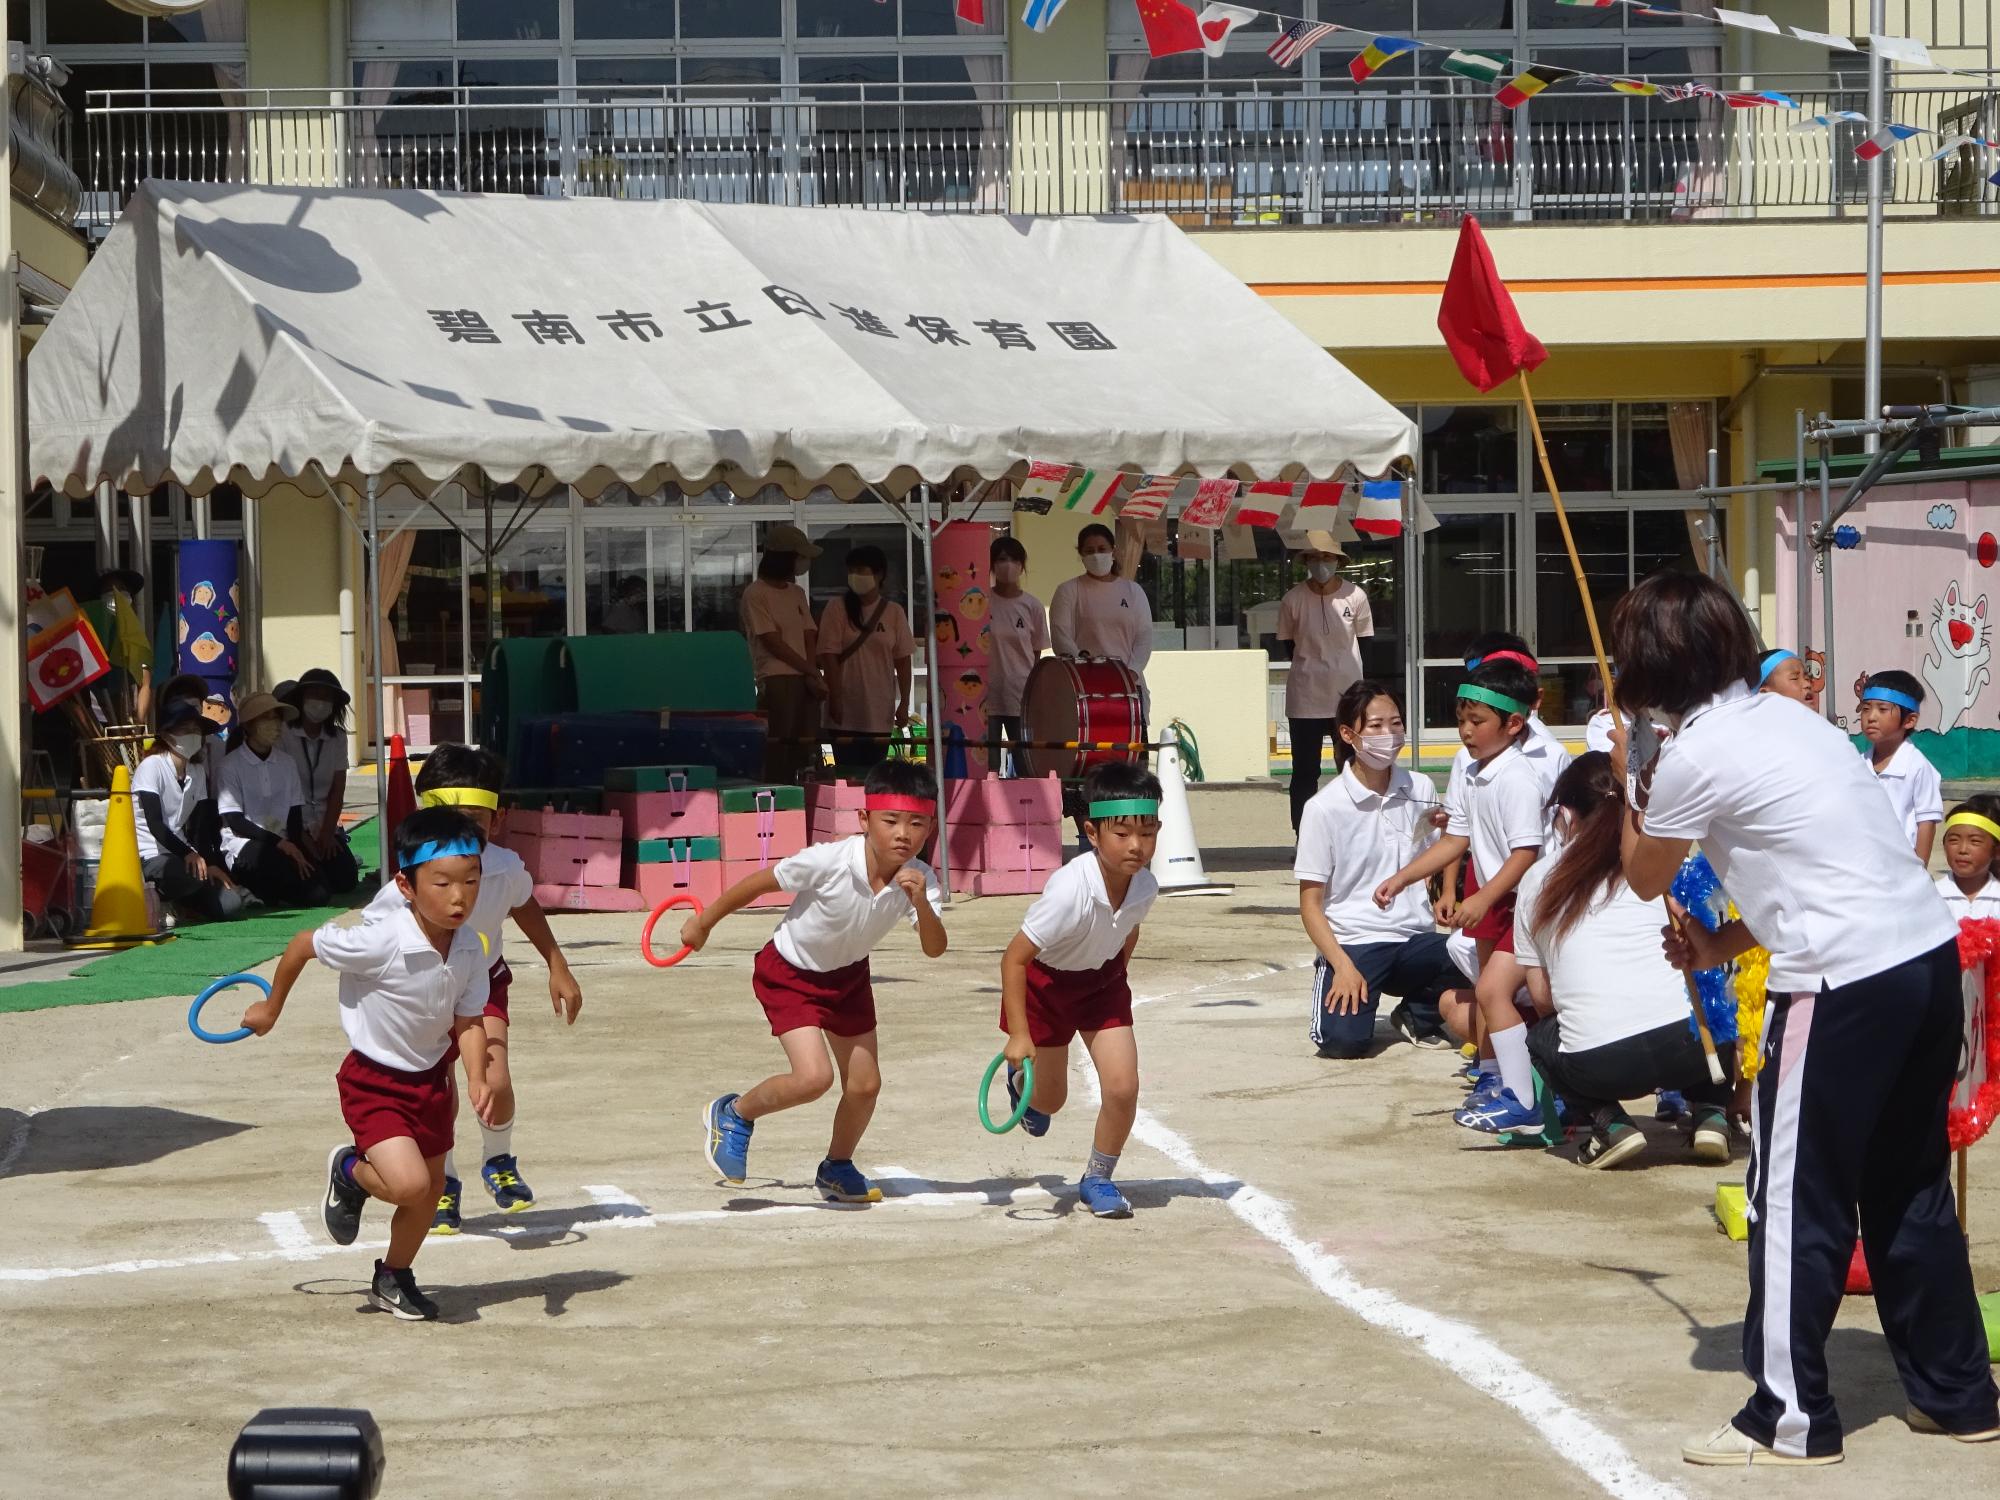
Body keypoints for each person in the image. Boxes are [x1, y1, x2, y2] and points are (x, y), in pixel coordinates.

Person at [1606, 568, 1996, 1465]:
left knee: (1788, 1199)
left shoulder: (1693, 754)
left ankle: (1787, 1418)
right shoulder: (1794, 720)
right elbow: (1817, 861)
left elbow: (1643, 876)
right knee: (1909, 1188)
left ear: (1652, 666)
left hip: (1838, 986)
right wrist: (1724, 941)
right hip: (1923, 962)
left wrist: (1633, 779)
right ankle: (1960, 1397)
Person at [239, 806, 502, 1322]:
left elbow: (470, 1020)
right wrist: (272, 1007)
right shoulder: (381, 939)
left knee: (429, 1195)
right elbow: (303, 944)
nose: (459, 896)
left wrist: (477, 1077)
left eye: (471, 881)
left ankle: (392, 1276)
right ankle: (350, 1173)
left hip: (432, 1082)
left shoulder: (471, 947)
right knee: (409, 1186)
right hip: (374, 1082)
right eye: (443, 883)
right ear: (406, 886)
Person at [690, 758, 947, 1204]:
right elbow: (758, 883)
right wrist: (704, 923)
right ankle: (733, 1113)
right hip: (789, 973)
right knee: (813, 1078)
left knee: (865, 1086)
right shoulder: (828, 860)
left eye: (918, 823)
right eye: (891, 821)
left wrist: (920, 904)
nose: (904, 834)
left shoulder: (920, 879)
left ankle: (836, 1166)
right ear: (865, 819)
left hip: (848, 978)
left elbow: (934, 947)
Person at [363, 744, 584, 1234]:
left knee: (494, 1080)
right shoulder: (407, 883)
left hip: (481, 983)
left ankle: (498, 1159)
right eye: (449, 818)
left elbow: (524, 904)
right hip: (420, 998)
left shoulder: (503, 867)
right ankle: (445, 1183)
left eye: (475, 821)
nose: (463, 834)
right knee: (438, 1096)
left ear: (497, 819)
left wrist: (557, 963)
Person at [1517, 753, 1730, 1169]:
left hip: (1599, 1062)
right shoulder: (1665, 866)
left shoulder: (1536, 880)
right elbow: (1705, 952)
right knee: (1712, 997)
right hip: (1692, 1047)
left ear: (1566, 814)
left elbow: (1542, 998)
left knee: (1539, 1036)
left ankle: (1610, 1124)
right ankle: (1710, 1112)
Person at [1376, 659, 1550, 1136]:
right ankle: (1496, 1079)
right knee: (1493, 996)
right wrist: (1403, 878)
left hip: (1523, 905)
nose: (1466, 731)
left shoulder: (1516, 777)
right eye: (1461, 720)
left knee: (1497, 992)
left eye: (1477, 721)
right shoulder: (1476, 773)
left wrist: (1483, 898)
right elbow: (1456, 839)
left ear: (1514, 724)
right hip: (1493, 903)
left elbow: (1526, 853)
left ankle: (1524, 1098)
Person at [999, 760, 1162, 1219]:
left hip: (1102, 986)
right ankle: (1019, 1084)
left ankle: (1097, 1178)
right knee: (1049, 1102)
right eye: (1122, 833)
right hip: (1045, 988)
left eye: (1147, 832)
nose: (1136, 845)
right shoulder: (1070, 890)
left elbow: (1129, 930)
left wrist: (1114, 978)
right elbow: (1014, 959)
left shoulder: (1145, 885)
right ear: (1092, 833)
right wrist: (1018, 1034)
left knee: (1124, 1086)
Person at [1294, 680, 1459, 1057]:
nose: (1389, 735)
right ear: (1348, 734)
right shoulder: (1324, 808)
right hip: (1355, 944)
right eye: (1376, 726)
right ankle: (1339, 985)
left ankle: (1418, 1013)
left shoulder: (1419, 786)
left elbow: (1446, 846)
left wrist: (1447, 892)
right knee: (1343, 1044)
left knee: (1472, 952)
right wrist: (1342, 964)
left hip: (1414, 937)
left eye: (1396, 723)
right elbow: (1310, 904)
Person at [1277, 539, 1375, 833]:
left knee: (1352, 765)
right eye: (1315, 557)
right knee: (1305, 772)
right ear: (1306, 562)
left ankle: (1357, 829)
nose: (1321, 563)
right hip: (1305, 695)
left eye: (1327, 557)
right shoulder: (1293, 599)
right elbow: (1286, 644)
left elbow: (1366, 640)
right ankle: (1304, 834)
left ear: (1338, 561)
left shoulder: (1355, 595)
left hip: (1347, 695)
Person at [132, 704, 245, 924]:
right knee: (186, 874)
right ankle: (159, 898)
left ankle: (181, 902)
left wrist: (209, 862)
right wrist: (189, 855)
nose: (193, 735)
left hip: (181, 855)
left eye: (196, 730)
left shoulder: (197, 772)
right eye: (185, 729)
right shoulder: (151, 766)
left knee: (231, 904)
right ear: (166, 734)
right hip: (148, 854)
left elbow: (201, 826)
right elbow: (155, 825)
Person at [219, 690, 326, 908]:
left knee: (321, 891)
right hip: (245, 843)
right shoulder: (230, 765)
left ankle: (272, 890)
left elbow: (294, 815)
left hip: (283, 841)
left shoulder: (287, 763)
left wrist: (297, 848)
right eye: (267, 719)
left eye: (277, 718)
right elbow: (234, 819)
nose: (275, 725)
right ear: (248, 726)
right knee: (270, 863)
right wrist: (281, 844)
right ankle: (254, 888)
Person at [816, 545, 914, 773]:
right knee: (846, 772)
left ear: (879, 574)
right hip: (844, 711)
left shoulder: (894, 612)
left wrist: (905, 702)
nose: (855, 576)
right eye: (851, 570)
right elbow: (828, 655)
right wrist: (836, 698)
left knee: (874, 773)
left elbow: (903, 660)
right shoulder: (836, 608)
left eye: (861, 569)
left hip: (879, 710)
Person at [740, 524, 825, 784]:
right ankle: (777, 799)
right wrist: (811, 671)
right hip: (776, 679)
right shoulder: (756, 594)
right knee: (778, 748)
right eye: (800, 556)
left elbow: (810, 633)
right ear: (785, 558)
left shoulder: (797, 593)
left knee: (807, 748)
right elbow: (772, 642)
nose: (803, 563)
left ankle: (806, 800)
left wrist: (811, 674)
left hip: (804, 679)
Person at [278, 670, 360, 898]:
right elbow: (281, 791)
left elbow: (337, 789)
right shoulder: (284, 733)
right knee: (316, 888)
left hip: (324, 823)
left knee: (347, 879)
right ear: (301, 698)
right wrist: (302, 836)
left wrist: (326, 833)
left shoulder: (338, 737)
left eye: (326, 698)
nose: (320, 703)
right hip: (292, 824)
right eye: (314, 695)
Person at [1858, 669, 1944, 864]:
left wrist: (1919, 870)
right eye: (1865, 708)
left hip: (1901, 868)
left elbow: (1926, 823)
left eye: (1882, 709)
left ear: (1909, 720)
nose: (1871, 717)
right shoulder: (1858, 763)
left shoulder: (1918, 766)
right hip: (1863, 865)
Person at [1048, 523, 1151, 681]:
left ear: (1113, 551)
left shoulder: (1133, 591)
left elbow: (1144, 637)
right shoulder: (1068, 590)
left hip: (1130, 686)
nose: (1096, 555)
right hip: (1085, 685)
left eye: (1102, 549)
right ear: (1081, 555)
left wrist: (1132, 672)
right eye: (1089, 551)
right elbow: (1061, 638)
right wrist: (1085, 669)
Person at [985, 535, 1049, 777]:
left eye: (1013, 559)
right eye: (1002, 559)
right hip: (985, 698)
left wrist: (1035, 696)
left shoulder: (1032, 606)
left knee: (1026, 764)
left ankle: (1029, 813)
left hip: (1020, 697)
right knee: (987, 766)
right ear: (991, 564)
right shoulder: (981, 601)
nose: (1008, 565)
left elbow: (1036, 655)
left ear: (1022, 565)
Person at [1935, 797, 2000, 921]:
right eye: (1954, 840)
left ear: (1996, 851)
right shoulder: (1932, 895)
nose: (1963, 849)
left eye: (1975, 841)